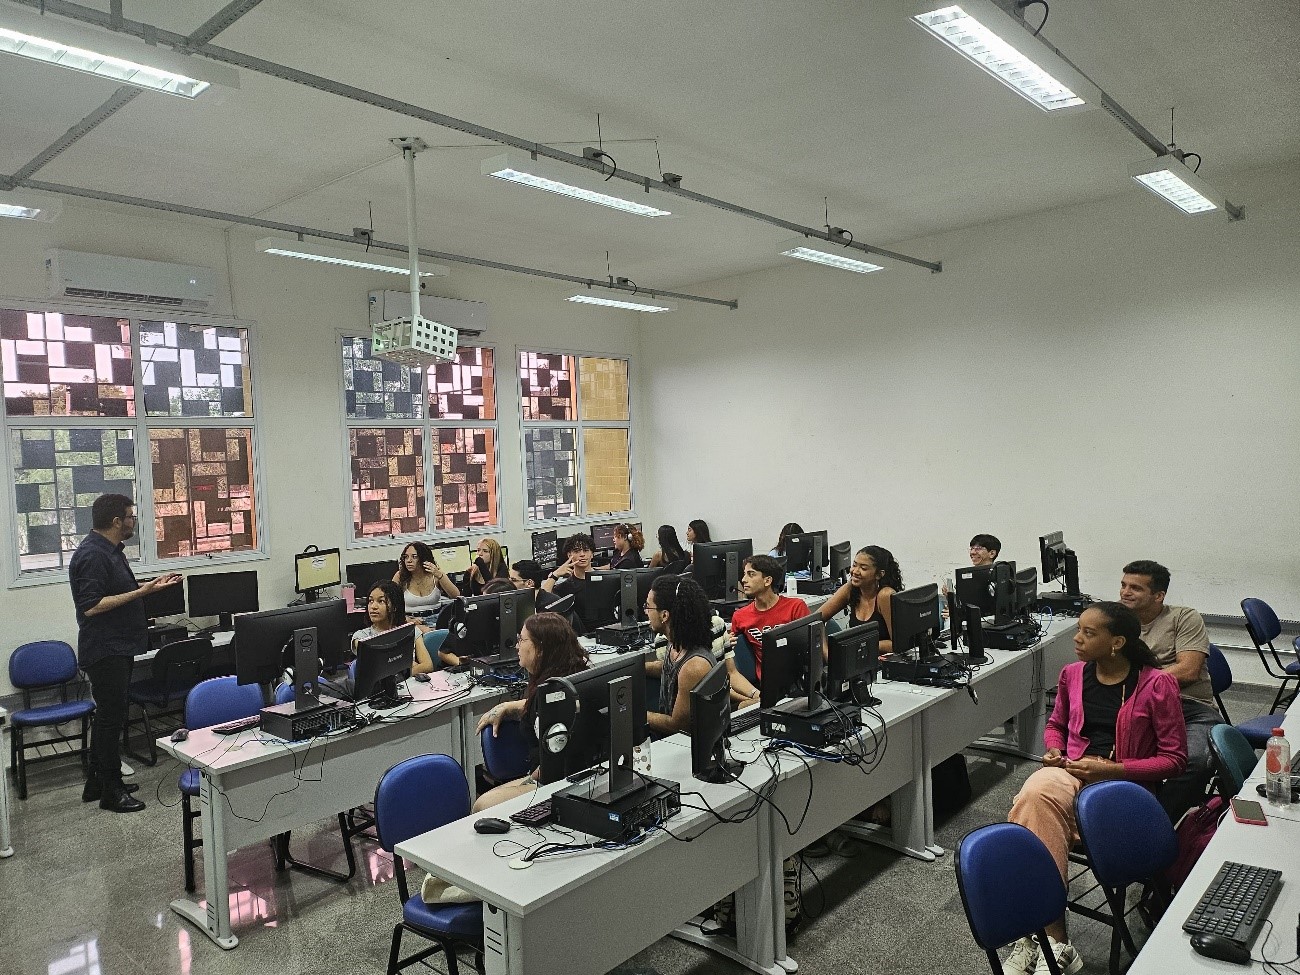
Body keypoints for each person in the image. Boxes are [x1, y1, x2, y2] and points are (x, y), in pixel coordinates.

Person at [1002, 602, 1186, 975]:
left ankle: (1037, 935)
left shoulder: (1156, 684)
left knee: (1034, 817)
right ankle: (1054, 941)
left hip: (1125, 789)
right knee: (1037, 795)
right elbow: (1056, 725)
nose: (1077, 638)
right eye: (1079, 630)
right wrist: (1054, 749)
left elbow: (1175, 759)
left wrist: (1112, 768)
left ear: (1117, 642)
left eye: (1089, 632)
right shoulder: (1072, 675)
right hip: (1072, 774)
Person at [69, 493, 182, 813]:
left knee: (110, 718)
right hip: (106, 650)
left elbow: (115, 593)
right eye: (131, 516)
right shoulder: (93, 555)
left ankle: (97, 783)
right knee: (110, 720)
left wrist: (149, 588)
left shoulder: (111, 551)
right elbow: (91, 606)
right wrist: (142, 591)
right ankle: (112, 791)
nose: (134, 522)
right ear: (117, 521)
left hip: (117, 647)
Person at [1118, 559, 1218, 821]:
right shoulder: (1114, 621)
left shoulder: (1183, 617)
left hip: (1190, 708)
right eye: (1123, 585)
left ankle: (1153, 825)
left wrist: (1142, 685)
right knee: (1101, 755)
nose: (1125, 592)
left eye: (1135, 588)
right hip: (1133, 709)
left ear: (1158, 596)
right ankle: (1110, 817)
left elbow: (1188, 670)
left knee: (1194, 761)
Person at [472, 613, 589, 811]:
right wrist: (509, 706)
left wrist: (530, 780)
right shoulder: (569, 682)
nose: (517, 646)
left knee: (482, 806)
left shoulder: (552, 691)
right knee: (482, 804)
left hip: (553, 782)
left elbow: (554, 761)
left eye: (522, 639)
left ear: (540, 649)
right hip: (571, 778)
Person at [646, 576, 754, 735]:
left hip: (685, 743)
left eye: (648, 607)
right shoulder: (676, 642)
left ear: (664, 615)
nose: (646, 612)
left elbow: (678, 726)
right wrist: (638, 668)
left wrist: (636, 715)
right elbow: (671, 670)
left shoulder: (693, 666)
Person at [729, 555, 810, 680]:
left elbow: (811, 646)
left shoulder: (795, 607)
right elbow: (732, 650)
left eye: (751, 574)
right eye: (744, 574)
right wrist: (728, 643)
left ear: (767, 581)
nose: (743, 580)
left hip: (799, 677)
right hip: (767, 682)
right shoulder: (740, 616)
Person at [819, 545, 902, 654]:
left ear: (879, 574)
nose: (855, 571)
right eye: (854, 565)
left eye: (863, 568)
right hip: (857, 660)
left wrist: (861, 644)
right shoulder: (850, 589)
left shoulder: (885, 595)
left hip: (882, 661)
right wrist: (827, 655)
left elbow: (899, 645)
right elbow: (815, 620)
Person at [352, 581, 437, 674]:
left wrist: (401, 674)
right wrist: (410, 666)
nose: (373, 606)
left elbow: (427, 666)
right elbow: (381, 667)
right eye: (370, 601)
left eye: (381, 601)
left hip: (409, 682)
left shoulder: (410, 631)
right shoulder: (361, 637)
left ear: (395, 606)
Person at [541, 533, 602, 632]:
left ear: (592, 554)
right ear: (569, 555)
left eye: (586, 550)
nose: (582, 554)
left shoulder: (607, 578)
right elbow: (542, 600)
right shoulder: (564, 587)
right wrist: (555, 575)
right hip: (581, 636)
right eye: (577, 551)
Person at [392, 541, 460, 619]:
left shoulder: (436, 574)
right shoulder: (400, 576)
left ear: (424, 558)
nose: (409, 560)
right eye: (406, 557)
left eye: (414, 556)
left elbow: (456, 596)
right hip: (411, 619)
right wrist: (406, 619)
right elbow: (390, 604)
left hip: (436, 617)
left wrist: (440, 575)